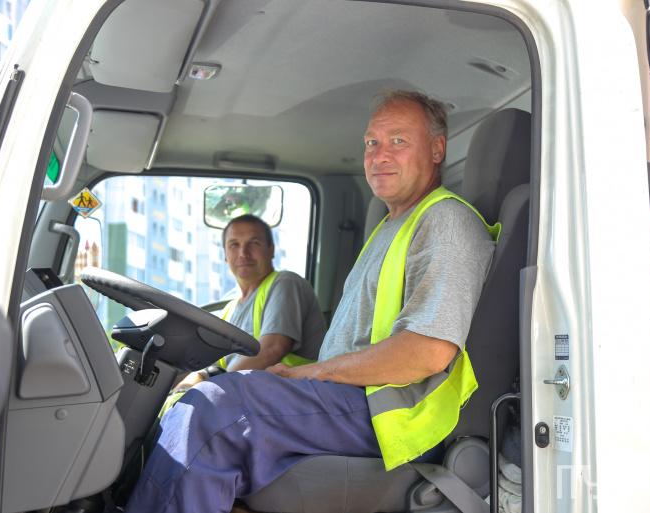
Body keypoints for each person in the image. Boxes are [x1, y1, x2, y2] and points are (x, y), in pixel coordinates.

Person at [125, 90, 497, 513]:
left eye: (398, 141)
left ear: (436, 149)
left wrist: (314, 373)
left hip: (390, 411)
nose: (379, 155)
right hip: (355, 402)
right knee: (205, 403)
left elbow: (428, 351)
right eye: (371, 142)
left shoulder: (446, 222)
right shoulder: (390, 229)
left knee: (215, 412)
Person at [175, 214, 326, 388]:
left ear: (271, 250)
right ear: (225, 254)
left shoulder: (285, 283)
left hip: (291, 394)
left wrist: (216, 388)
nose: (243, 253)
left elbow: (272, 350)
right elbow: (212, 366)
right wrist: (184, 387)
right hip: (252, 395)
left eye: (254, 243)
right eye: (234, 245)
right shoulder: (229, 310)